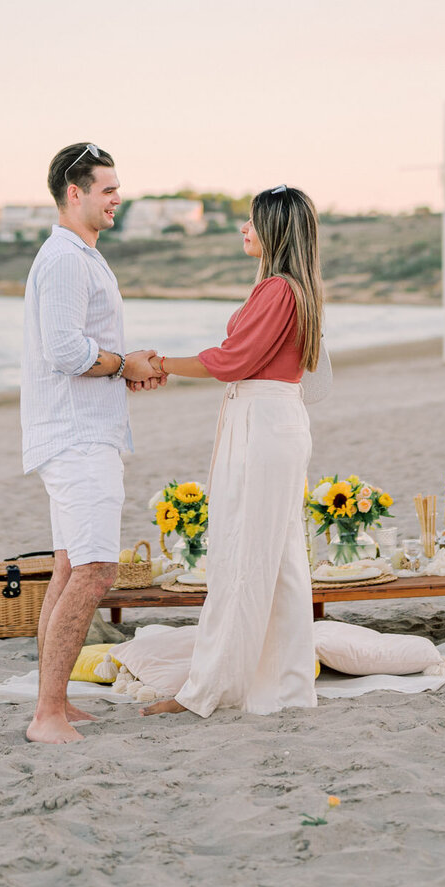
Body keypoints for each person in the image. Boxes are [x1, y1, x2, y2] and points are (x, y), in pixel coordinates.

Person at [140, 184, 322, 717]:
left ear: (274, 231)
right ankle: (290, 689)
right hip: (279, 421)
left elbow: (231, 359)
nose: (243, 229)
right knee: (284, 562)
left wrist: (163, 363)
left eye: (251, 221)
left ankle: (209, 690)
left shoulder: (277, 292)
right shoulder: (298, 289)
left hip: (264, 426)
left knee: (241, 555)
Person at [22, 142, 164, 744]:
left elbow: (87, 351)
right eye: (107, 189)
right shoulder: (64, 260)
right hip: (76, 438)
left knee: (69, 568)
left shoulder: (82, 256)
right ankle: (46, 715)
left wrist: (125, 367)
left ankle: (53, 702)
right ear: (73, 194)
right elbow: (66, 352)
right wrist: (121, 363)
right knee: (97, 570)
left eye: (116, 188)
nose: (117, 198)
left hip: (86, 431)